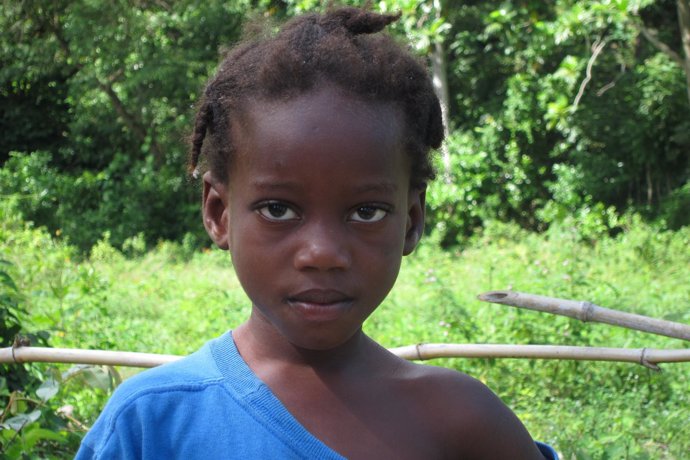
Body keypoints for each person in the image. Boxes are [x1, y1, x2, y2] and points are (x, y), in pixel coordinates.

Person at [77, 7, 557, 459]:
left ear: (411, 221)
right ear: (219, 212)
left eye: (366, 212)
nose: (322, 253)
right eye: (278, 209)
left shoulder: (464, 422)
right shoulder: (152, 424)